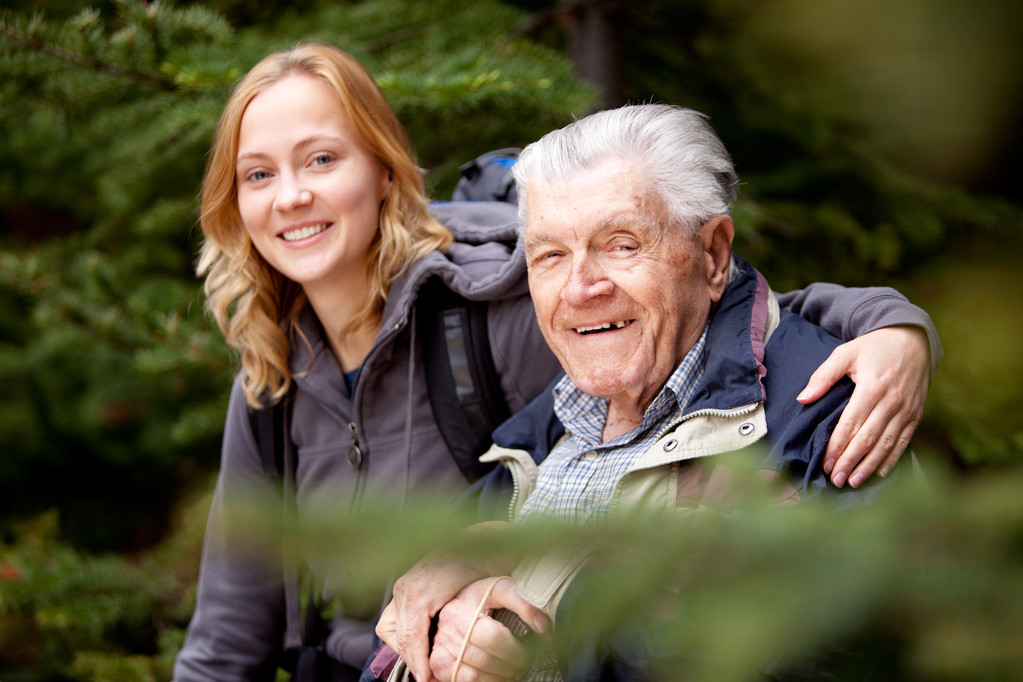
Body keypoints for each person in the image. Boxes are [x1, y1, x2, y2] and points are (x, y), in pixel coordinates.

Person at [173, 42, 940, 681]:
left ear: (382, 169)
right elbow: (229, 633)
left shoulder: (490, 321)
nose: (581, 287)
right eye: (258, 174)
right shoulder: (287, 381)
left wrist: (890, 327)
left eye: (619, 244)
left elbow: (728, 323)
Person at [375, 103, 937, 682]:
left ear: (713, 254)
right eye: (550, 256)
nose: (580, 288)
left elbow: (845, 656)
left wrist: (540, 639)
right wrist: (438, 629)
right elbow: (403, 646)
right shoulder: (541, 430)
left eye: (620, 244)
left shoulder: (831, 418)